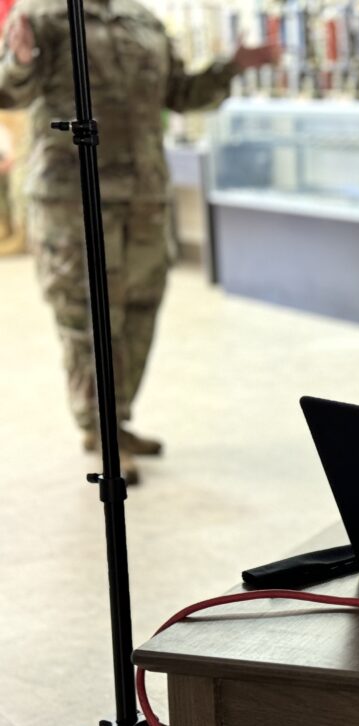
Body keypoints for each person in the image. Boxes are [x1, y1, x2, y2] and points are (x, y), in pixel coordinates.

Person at [0, 0, 277, 485]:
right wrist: (20, 61)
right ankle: (101, 432)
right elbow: (7, 91)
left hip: (145, 196)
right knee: (87, 313)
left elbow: (181, 93)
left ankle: (116, 420)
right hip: (75, 198)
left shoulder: (141, 19)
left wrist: (234, 66)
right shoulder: (43, 15)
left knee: (140, 309)